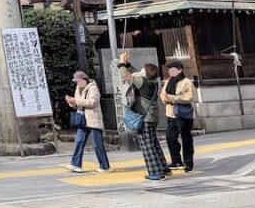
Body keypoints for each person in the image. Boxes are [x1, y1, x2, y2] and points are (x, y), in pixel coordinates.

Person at [118, 51, 170, 181]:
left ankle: (155, 172)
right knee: (153, 143)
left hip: (145, 117)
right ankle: (163, 168)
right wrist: (127, 64)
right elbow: (135, 73)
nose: (141, 69)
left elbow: (126, 76)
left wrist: (121, 63)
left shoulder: (142, 82)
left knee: (147, 145)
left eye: (143, 68)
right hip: (153, 117)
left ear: (146, 72)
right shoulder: (153, 81)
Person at [64, 71, 111, 173]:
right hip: (83, 120)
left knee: (97, 144)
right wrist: (72, 103)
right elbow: (80, 105)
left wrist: (76, 101)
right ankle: (75, 164)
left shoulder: (93, 88)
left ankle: (105, 166)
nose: (77, 83)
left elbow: (92, 102)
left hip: (93, 119)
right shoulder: (78, 89)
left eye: (78, 81)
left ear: (84, 79)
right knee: (79, 141)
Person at [161, 60, 195, 172]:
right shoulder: (168, 81)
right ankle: (176, 161)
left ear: (179, 70)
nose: (170, 72)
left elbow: (189, 97)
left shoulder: (186, 82)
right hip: (170, 113)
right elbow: (163, 94)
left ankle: (189, 162)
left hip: (183, 114)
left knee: (186, 138)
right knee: (170, 137)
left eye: (173, 69)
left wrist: (173, 98)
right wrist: (165, 98)